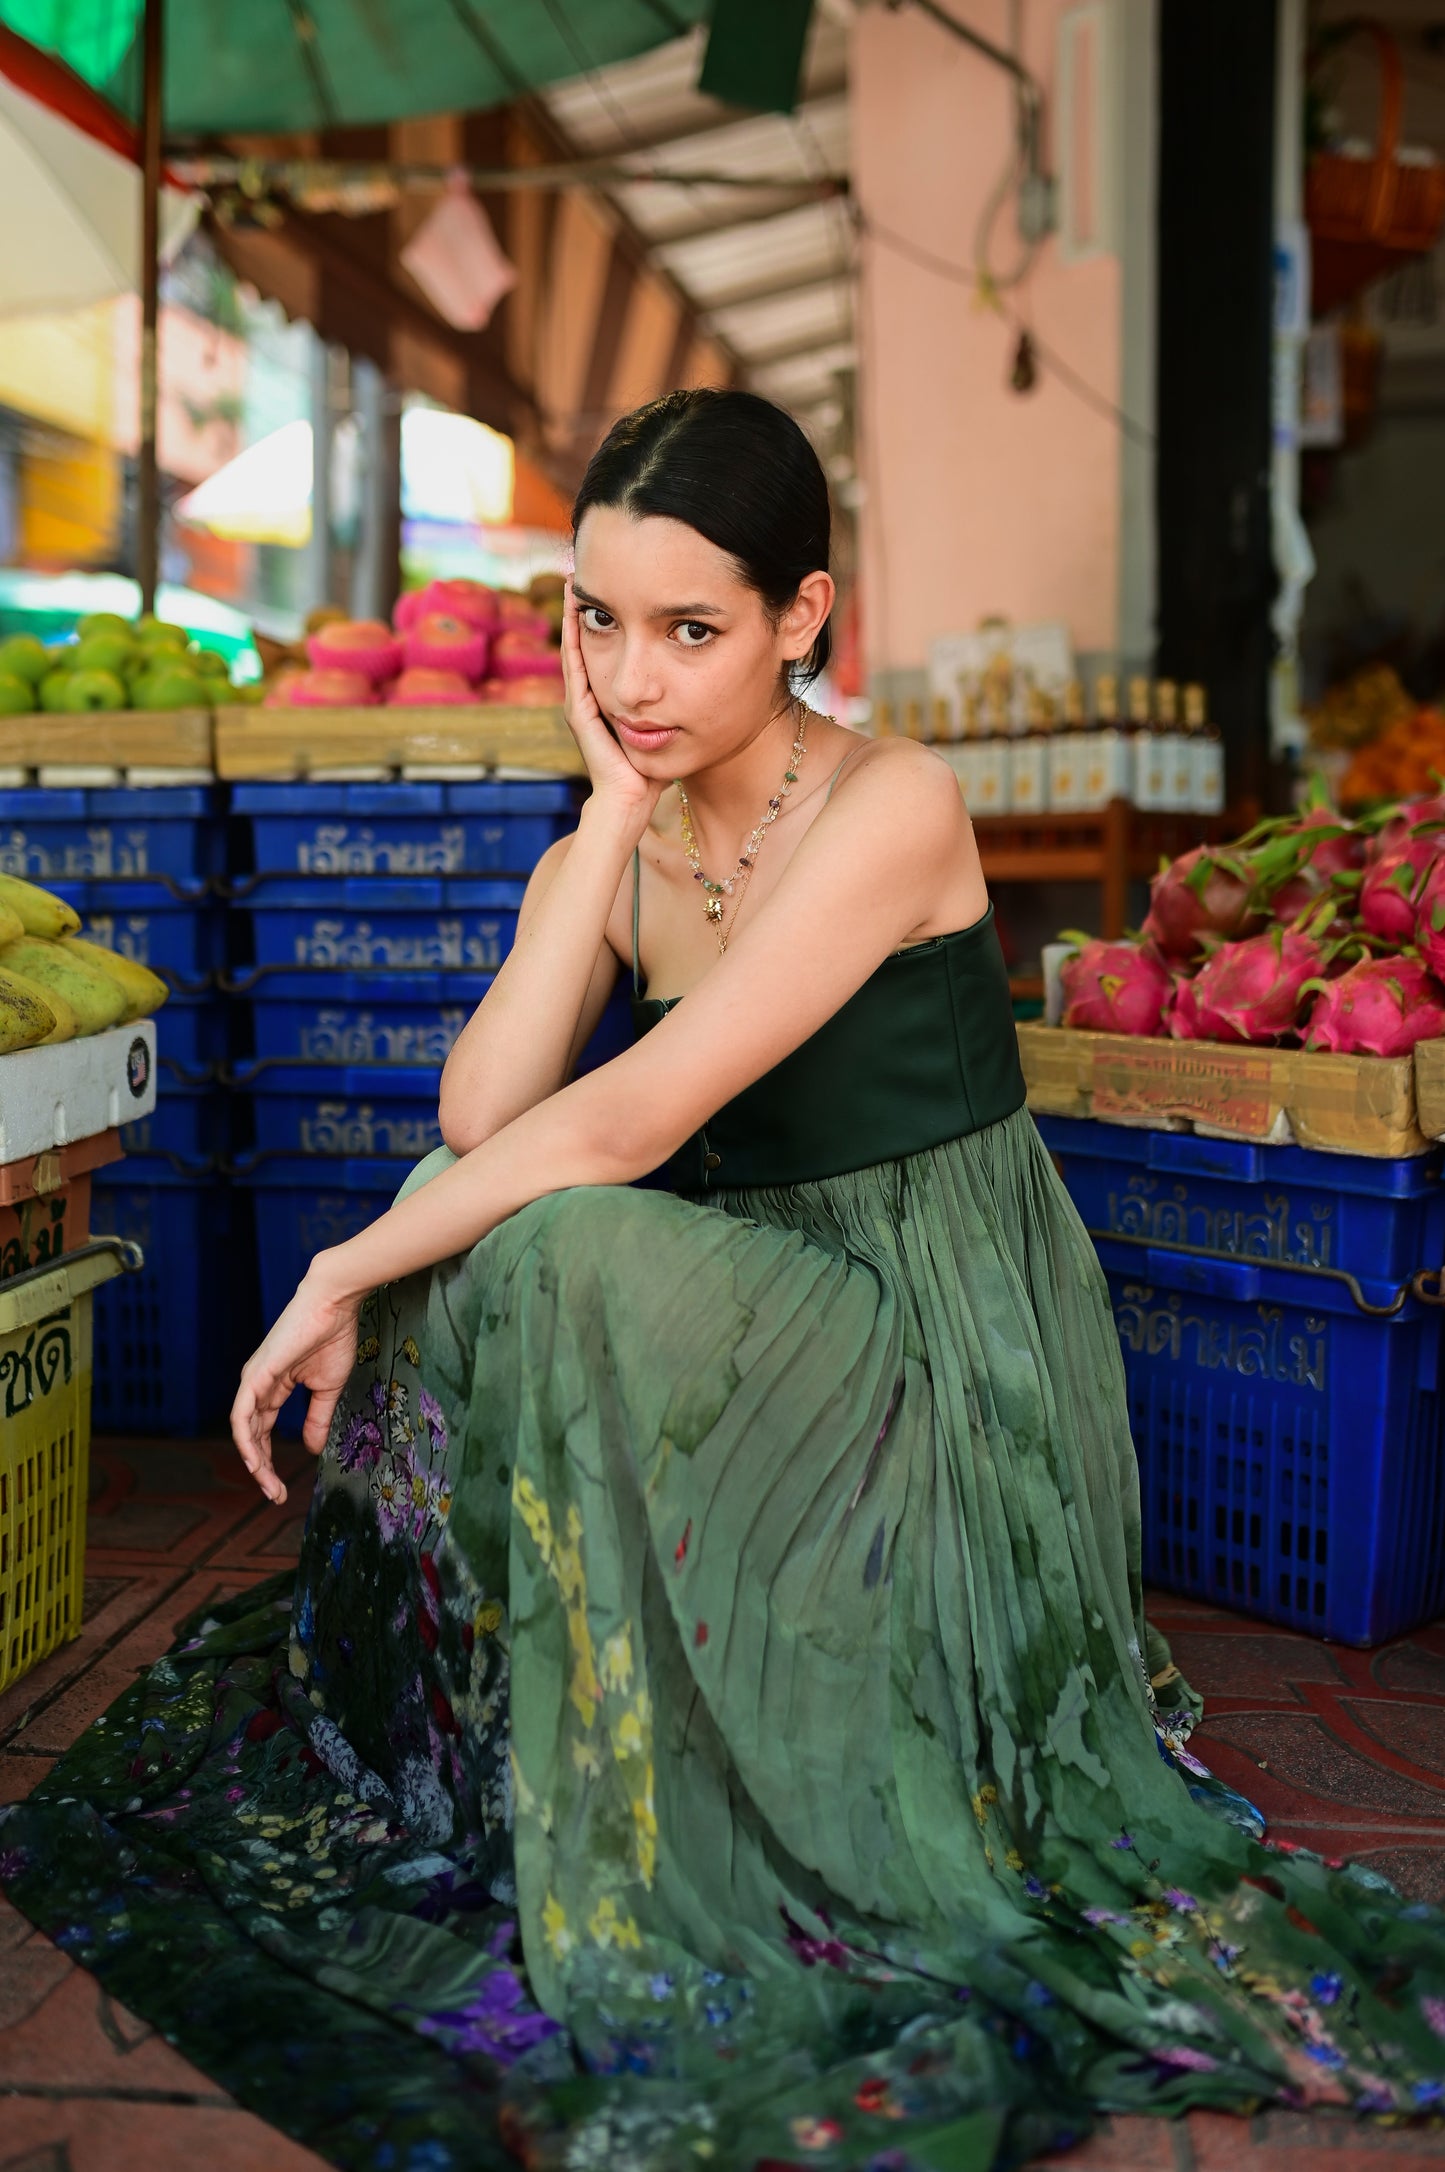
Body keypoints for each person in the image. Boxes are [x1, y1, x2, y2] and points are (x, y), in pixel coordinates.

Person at [4, 391, 1444, 2172]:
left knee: (540, 1229)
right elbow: (482, 1106)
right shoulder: (635, 823)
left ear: (802, 621)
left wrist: (337, 1269)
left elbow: (636, 1118)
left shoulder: (890, 805)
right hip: (762, 1303)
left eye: (692, 630)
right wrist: (603, 825)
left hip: (933, 1345)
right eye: (597, 623)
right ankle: (556, 1699)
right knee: (471, 1192)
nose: (636, 674)